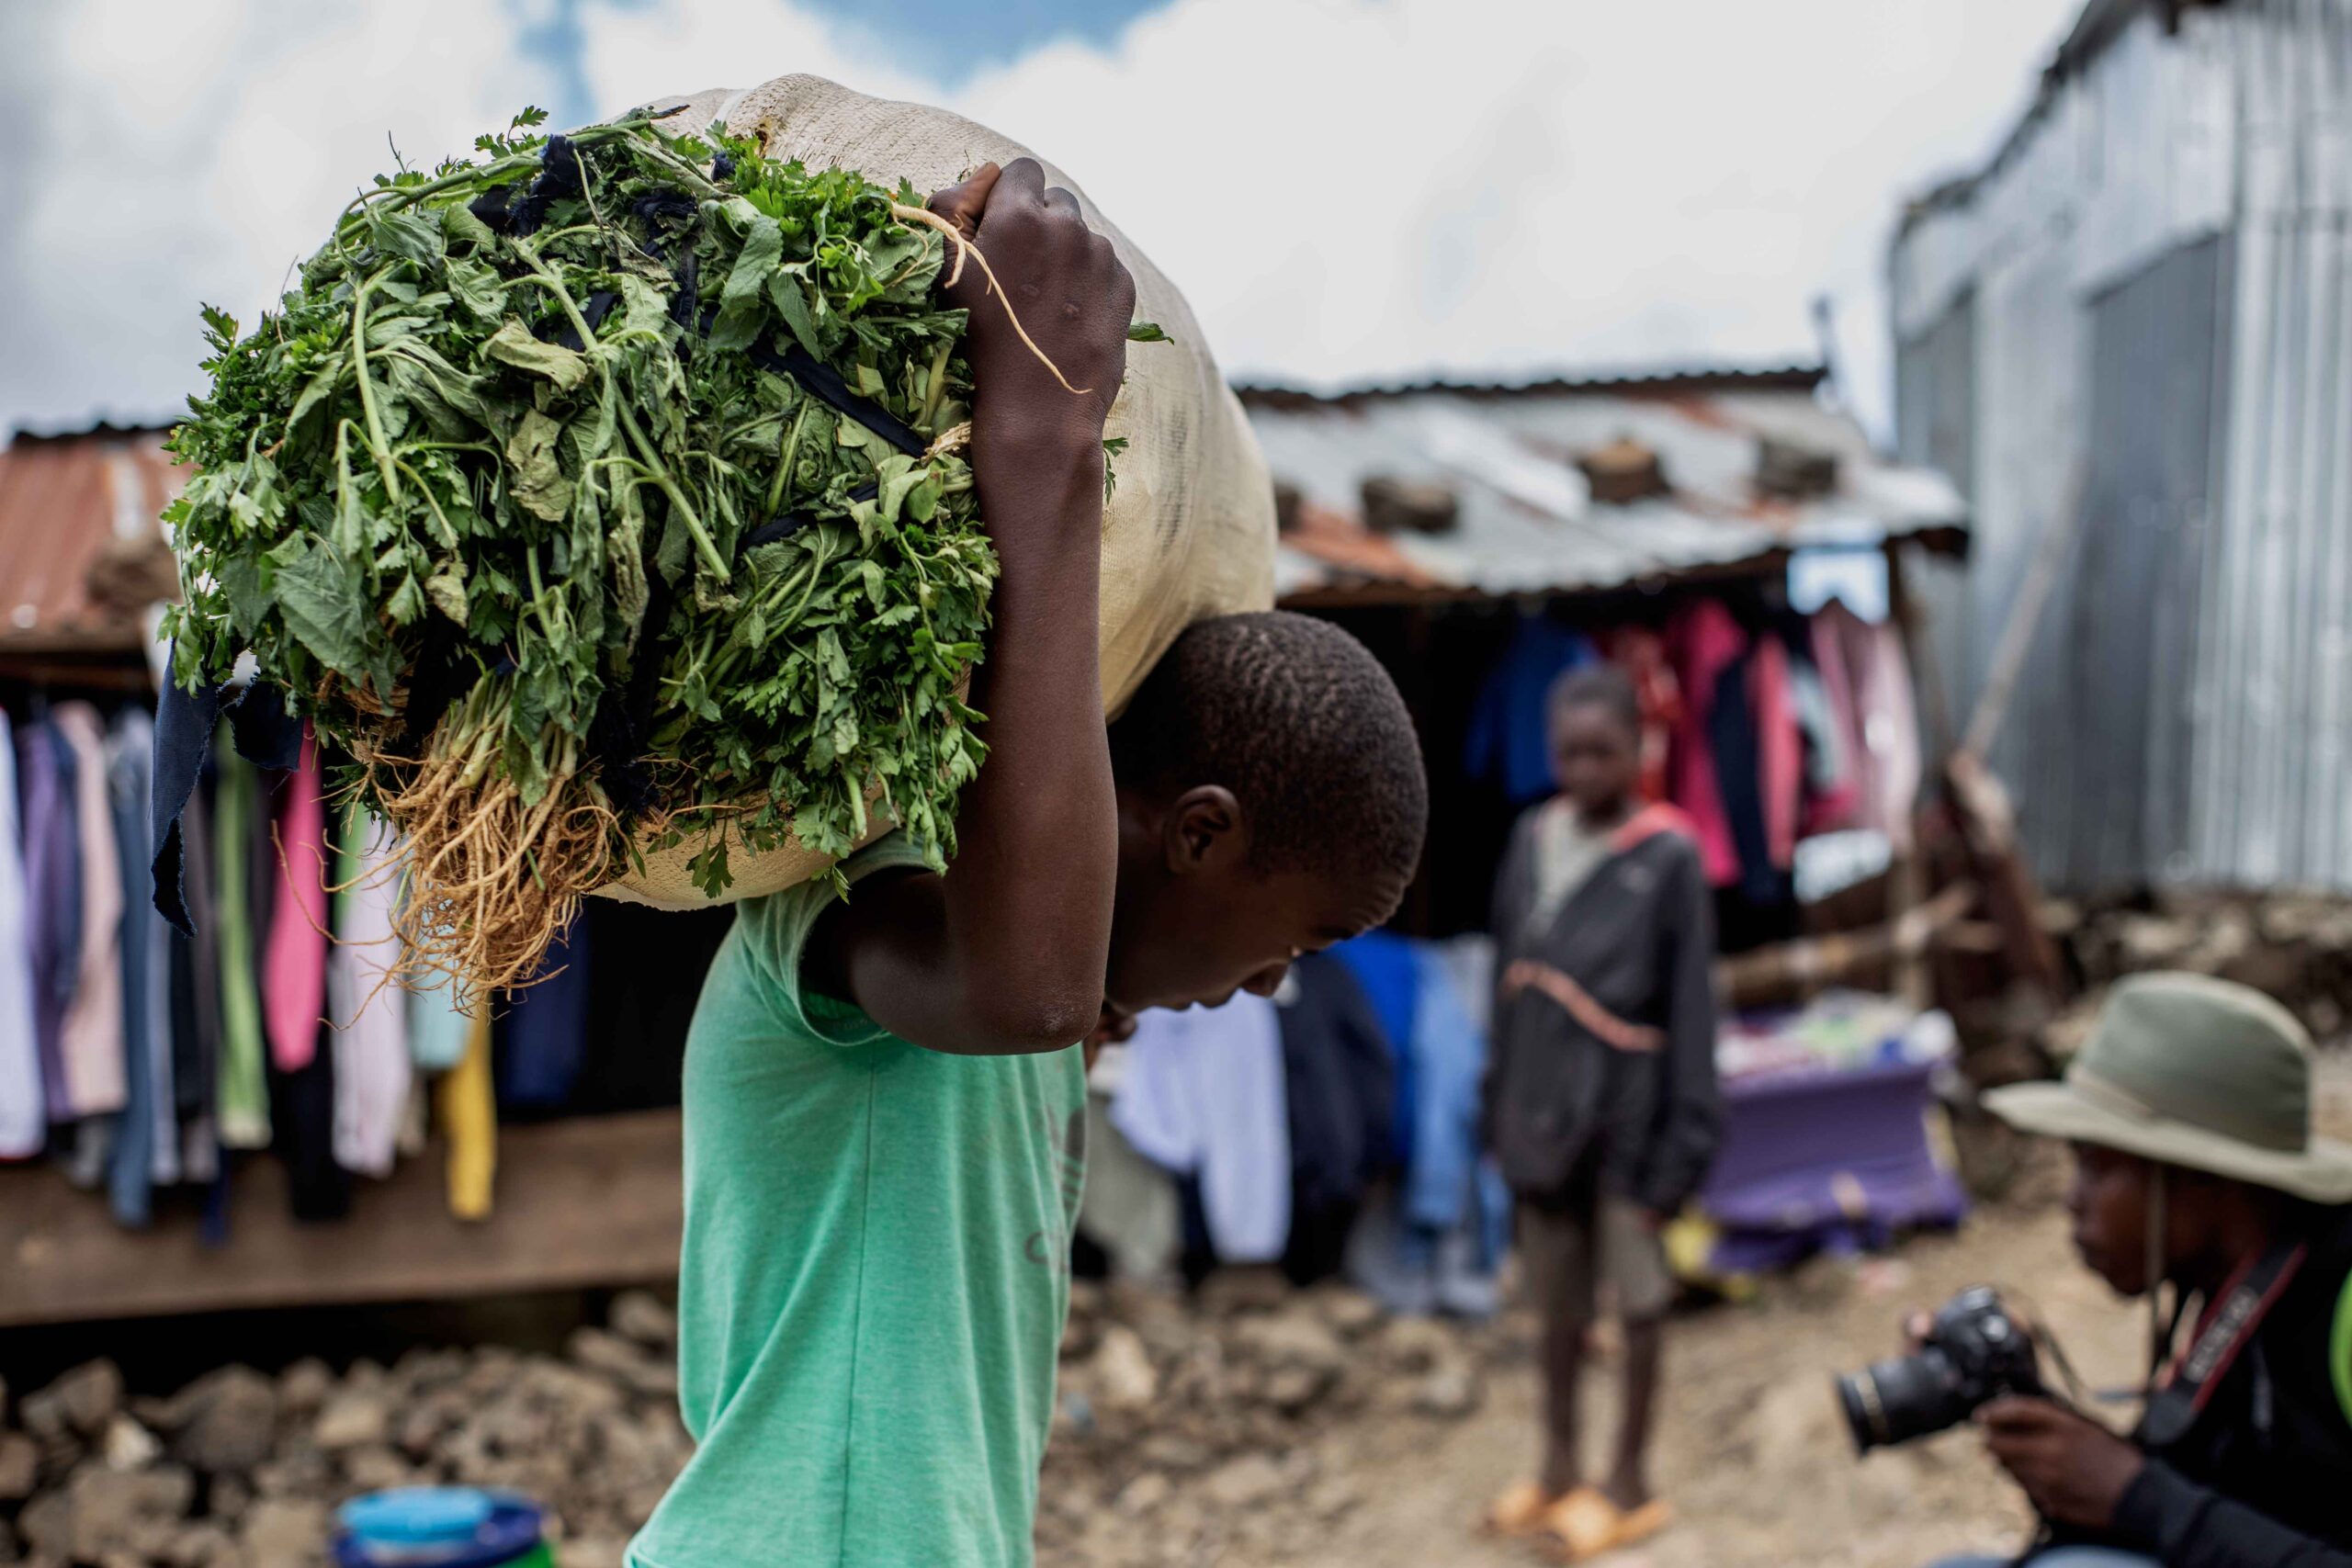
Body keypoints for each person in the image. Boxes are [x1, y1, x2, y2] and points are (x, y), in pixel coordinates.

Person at [625, 159, 1429, 1568]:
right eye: (1282, 946)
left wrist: (1105, 981)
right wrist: (1047, 435)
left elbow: (1053, 980)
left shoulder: (1014, 970)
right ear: (1196, 834)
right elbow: (1025, 985)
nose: (1264, 988)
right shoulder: (876, 893)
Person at [1932, 972, 2352, 1568]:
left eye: (2097, 1167)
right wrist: (2029, 1405)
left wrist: (2138, 1496)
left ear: (2203, 1175)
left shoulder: (2342, 1298)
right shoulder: (2231, 1281)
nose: (2073, 1200)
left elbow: (2170, 1516)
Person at [1479, 665, 1720, 1559]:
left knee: (1639, 1301)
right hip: (1540, 1111)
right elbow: (1506, 994)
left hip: (1631, 1115)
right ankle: (1554, 1467)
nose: (1582, 768)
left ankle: (1628, 1479)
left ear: (1637, 750)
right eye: (1568, 752)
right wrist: (1496, 1108)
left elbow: (1693, 1010)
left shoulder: (1668, 857)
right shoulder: (1528, 840)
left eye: (1601, 751)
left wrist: (1685, 1142)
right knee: (1556, 1305)